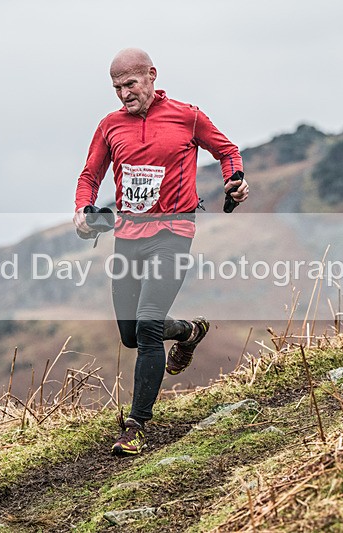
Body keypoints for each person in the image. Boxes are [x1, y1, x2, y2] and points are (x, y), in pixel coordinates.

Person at [73, 48, 249, 455]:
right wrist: (83, 208)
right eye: (116, 88)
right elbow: (90, 175)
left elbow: (228, 151)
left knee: (149, 324)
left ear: (151, 76)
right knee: (132, 334)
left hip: (173, 232)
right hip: (128, 236)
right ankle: (189, 331)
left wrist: (235, 179)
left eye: (130, 84)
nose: (123, 94)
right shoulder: (109, 126)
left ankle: (135, 427)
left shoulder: (187, 116)